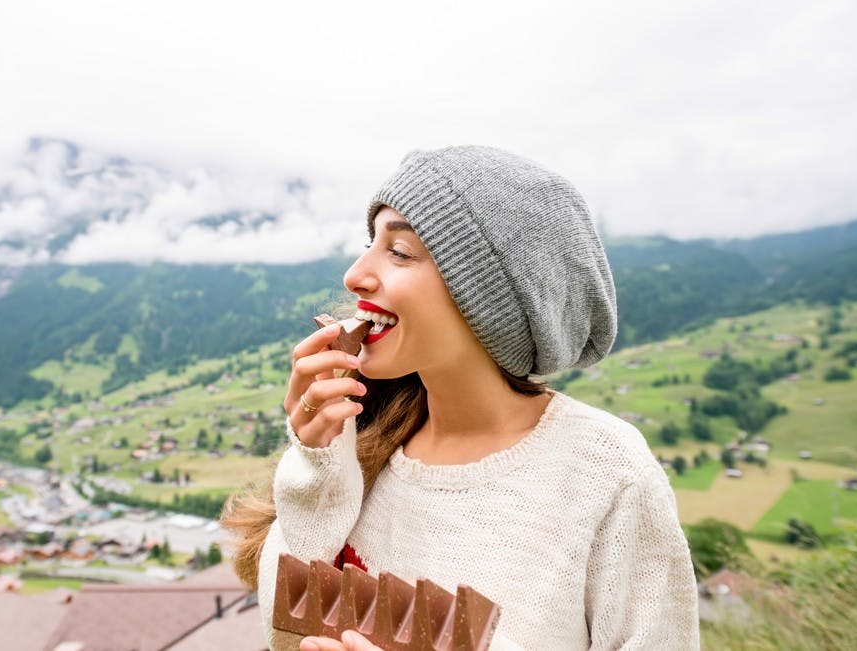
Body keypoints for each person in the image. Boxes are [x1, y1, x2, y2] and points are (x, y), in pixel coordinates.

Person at [222, 146, 700, 650]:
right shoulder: (358, 438)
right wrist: (314, 459)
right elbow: (283, 636)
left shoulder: (607, 473)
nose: (355, 274)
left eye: (400, 251)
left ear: (491, 303)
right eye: (371, 243)